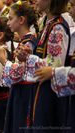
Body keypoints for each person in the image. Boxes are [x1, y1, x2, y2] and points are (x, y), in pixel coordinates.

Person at [15, 0, 70, 132]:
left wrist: (28, 58)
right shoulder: (48, 24)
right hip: (41, 90)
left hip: (50, 94)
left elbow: (55, 66)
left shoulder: (57, 27)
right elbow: (46, 58)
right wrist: (31, 54)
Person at [0, 1, 39, 132]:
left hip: (24, 94)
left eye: (10, 19)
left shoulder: (28, 42)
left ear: (21, 19)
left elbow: (18, 74)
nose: (7, 22)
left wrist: (2, 58)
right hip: (19, 93)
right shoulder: (24, 41)